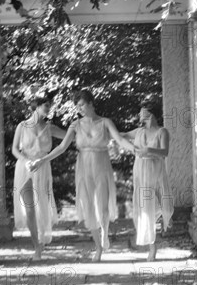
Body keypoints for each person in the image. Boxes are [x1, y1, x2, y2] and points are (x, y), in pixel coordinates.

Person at [31, 89, 135, 262]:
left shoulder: (105, 122)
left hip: (101, 164)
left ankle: (104, 231)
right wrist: (42, 160)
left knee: (102, 207)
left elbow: (120, 140)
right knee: (88, 206)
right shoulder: (75, 125)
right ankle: (98, 248)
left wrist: (135, 150)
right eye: (76, 105)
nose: (79, 108)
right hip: (83, 166)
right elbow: (62, 147)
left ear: (91, 103)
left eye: (81, 104)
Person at [12, 95, 67, 260]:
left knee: (41, 206)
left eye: (49, 106)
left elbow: (69, 135)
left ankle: (42, 240)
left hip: (42, 168)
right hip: (24, 168)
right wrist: (26, 161)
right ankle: (36, 246)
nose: (48, 108)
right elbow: (14, 149)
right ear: (36, 106)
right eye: (46, 105)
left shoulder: (50, 128)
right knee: (29, 209)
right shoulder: (22, 126)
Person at [124, 100, 174, 261]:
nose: (139, 114)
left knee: (161, 206)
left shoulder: (162, 132)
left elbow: (165, 152)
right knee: (146, 209)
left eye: (142, 111)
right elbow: (123, 135)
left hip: (156, 171)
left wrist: (148, 150)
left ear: (150, 113)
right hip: (141, 172)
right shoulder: (138, 131)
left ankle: (165, 217)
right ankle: (152, 248)